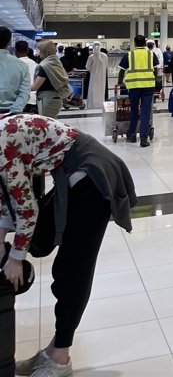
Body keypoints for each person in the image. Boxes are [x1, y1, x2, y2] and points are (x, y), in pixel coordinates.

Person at [2, 114, 137, 377]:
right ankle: (52, 351)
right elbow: (6, 197)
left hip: (93, 176)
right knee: (43, 246)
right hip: (74, 173)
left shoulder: (1, 148)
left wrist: (15, 258)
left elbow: (26, 209)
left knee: (74, 269)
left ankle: (60, 358)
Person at [117, 35, 159, 147]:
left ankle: (131, 135)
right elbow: (156, 69)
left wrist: (120, 82)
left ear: (134, 43)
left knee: (134, 110)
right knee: (145, 111)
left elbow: (121, 71)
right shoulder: (151, 54)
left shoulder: (129, 55)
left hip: (134, 86)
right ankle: (144, 138)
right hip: (148, 86)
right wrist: (152, 79)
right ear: (145, 43)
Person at [32, 42, 72, 120]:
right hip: (55, 98)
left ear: (44, 51)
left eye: (39, 50)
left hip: (47, 100)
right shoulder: (55, 62)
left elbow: (35, 86)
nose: (37, 52)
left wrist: (20, 88)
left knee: (46, 126)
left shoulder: (45, 66)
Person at [0, 28, 29, 116]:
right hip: (11, 113)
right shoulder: (21, 65)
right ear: (9, 42)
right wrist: (12, 113)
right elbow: (24, 93)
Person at [15, 41, 38, 114]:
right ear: (28, 50)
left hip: (18, 100)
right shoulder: (35, 64)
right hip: (33, 99)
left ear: (15, 50)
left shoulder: (13, 64)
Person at [84, 43, 108, 110]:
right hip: (102, 77)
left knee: (93, 90)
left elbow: (87, 67)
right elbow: (106, 66)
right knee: (101, 90)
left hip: (94, 77)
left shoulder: (91, 57)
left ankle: (92, 105)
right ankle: (100, 104)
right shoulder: (105, 56)